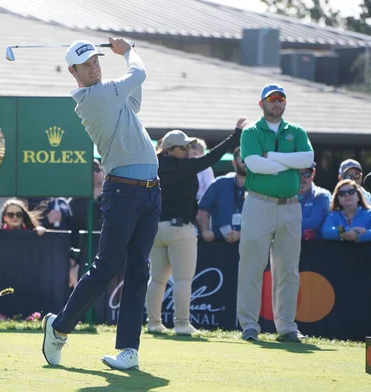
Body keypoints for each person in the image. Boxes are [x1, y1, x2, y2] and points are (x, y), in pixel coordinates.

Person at [42, 37, 160, 371]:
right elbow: (138, 75)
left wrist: (124, 58)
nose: (94, 67)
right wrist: (128, 51)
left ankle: (128, 350)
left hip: (151, 192)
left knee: (139, 271)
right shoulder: (92, 98)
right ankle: (59, 327)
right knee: (106, 267)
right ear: (73, 71)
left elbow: (134, 99)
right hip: (122, 192)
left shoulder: (111, 93)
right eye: (86, 64)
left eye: (96, 60)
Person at [146, 120, 244, 336]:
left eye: (189, 146)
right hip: (180, 229)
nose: (188, 150)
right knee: (182, 279)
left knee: (157, 279)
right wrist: (235, 136)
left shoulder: (153, 164)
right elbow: (212, 157)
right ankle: (181, 324)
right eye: (184, 147)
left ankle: (153, 323)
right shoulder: (184, 166)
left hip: (155, 229)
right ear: (171, 149)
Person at [237, 83, 314, 343]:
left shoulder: (297, 131)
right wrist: (287, 161)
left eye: (281, 99)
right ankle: (249, 325)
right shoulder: (251, 132)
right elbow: (255, 165)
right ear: (262, 104)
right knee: (251, 267)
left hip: (291, 206)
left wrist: (273, 156)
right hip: (259, 203)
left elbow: (307, 160)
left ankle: (287, 327)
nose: (277, 103)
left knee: (288, 269)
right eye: (272, 99)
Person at [321, 179, 371, 334]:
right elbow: (326, 231)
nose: (347, 196)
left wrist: (361, 236)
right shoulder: (333, 216)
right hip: (344, 272)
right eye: (342, 193)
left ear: (358, 195)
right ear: (337, 198)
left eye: (351, 192)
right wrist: (349, 232)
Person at [197, 146, 246, 243]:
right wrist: (205, 230)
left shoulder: (261, 187)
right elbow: (202, 211)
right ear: (234, 163)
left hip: (249, 243)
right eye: (242, 159)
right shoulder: (219, 183)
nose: (246, 163)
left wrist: (242, 234)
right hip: (219, 242)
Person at [69, 159, 105, 288]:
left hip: (108, 255)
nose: (94, 174)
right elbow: (72, 232)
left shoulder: (114, 198)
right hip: (84, 258)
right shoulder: (75, 202)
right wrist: (74, 262)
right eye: (90, 171)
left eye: (97, 170)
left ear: (103, 172)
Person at [298, 162, 331, 240]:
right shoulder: (286, 196)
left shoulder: (322, 196)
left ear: (313, 173)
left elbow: (313, 222)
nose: (302, 178)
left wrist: (286, 223)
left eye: (306, 174)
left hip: (315, 249)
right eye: (298, 174)